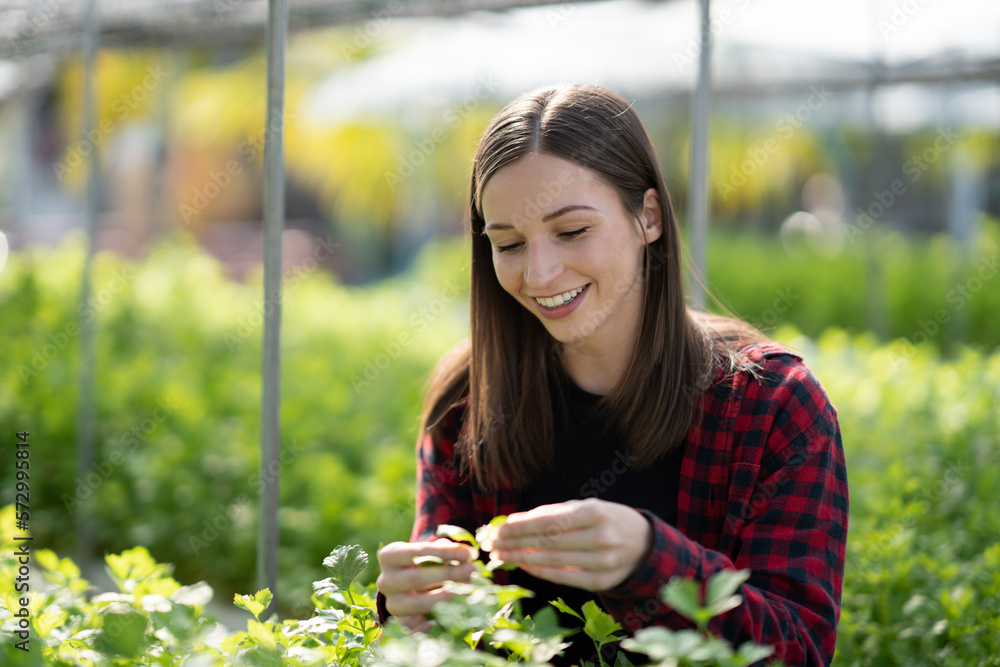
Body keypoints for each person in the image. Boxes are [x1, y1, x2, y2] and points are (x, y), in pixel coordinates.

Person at [375, 84, 848, 666]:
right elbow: (442, 631)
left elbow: (799, 650)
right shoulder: (469, 396)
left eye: (572, 231)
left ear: (647, 216)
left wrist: (652, 560)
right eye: (509, 244)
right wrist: (409, 607)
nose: (541, 272)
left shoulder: (773, 405)